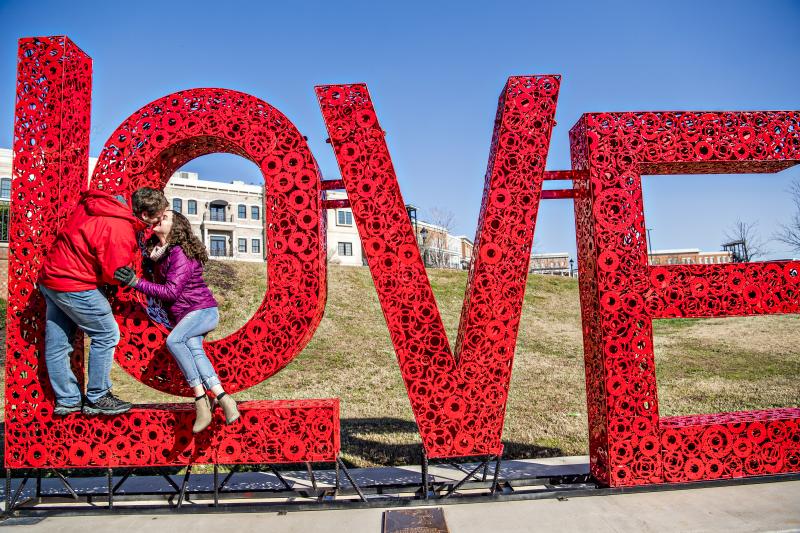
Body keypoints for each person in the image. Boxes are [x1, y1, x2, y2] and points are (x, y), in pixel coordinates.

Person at [38, 187, 168, 416]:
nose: (158, 222)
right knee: (106, 333)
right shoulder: (120, 227)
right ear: (145, 215)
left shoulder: (99, 207)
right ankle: (98, 396)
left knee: (58, 342)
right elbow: (114, 272)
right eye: (158, 216)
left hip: (51, 278)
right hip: (76, 282)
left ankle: (67, 399)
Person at [114, 210, 240, 433]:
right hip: (187, 316)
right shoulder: (160, 254)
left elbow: (171, 292)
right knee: (193, 347)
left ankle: (201, 399)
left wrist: (135, 282)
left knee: (175, 341)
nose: (159, 218)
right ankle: (222, 397)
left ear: (176, 227)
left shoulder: (179, 252)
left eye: (165, 217)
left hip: (202, 311)